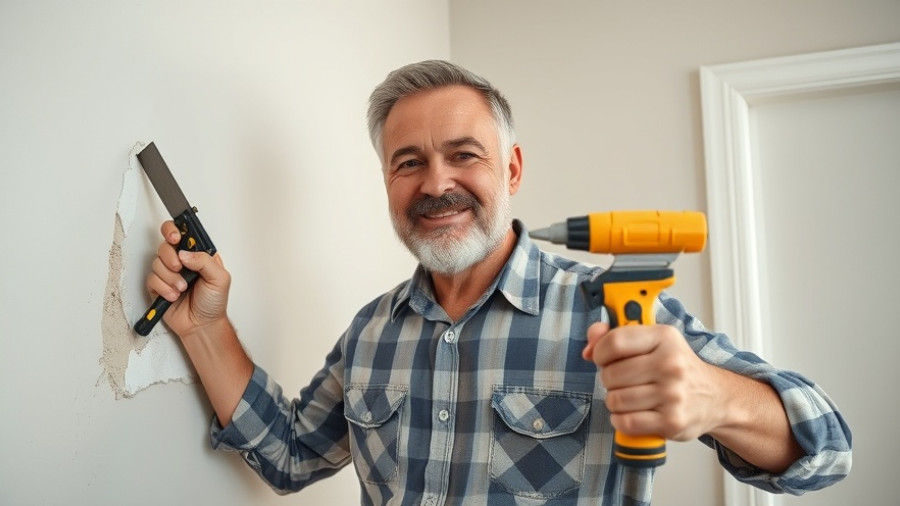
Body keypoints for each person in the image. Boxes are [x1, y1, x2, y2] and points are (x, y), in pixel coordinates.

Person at [146, 60, 851, 505]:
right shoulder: (371, 333)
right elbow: (291, 457)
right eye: (409, 162)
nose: (437, 183)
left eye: (464, 155)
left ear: (511, 170)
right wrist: (206, 327)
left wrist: (713, 395)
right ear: (387, 182)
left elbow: (829, 450)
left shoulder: (613, 311)